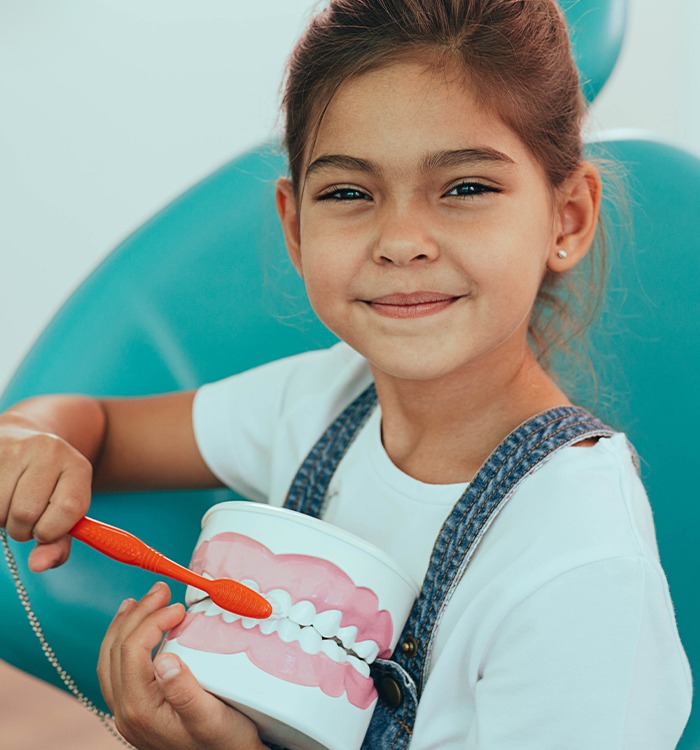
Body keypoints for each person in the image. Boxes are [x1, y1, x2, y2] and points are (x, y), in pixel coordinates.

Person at [0, 0, 692, 748]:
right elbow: (95, 426)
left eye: (465, 187)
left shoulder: (581, 568)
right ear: (295, 227)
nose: (400, 241)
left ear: (568, 219)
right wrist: (30, 440)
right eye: (349, 193)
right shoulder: (321, 403)